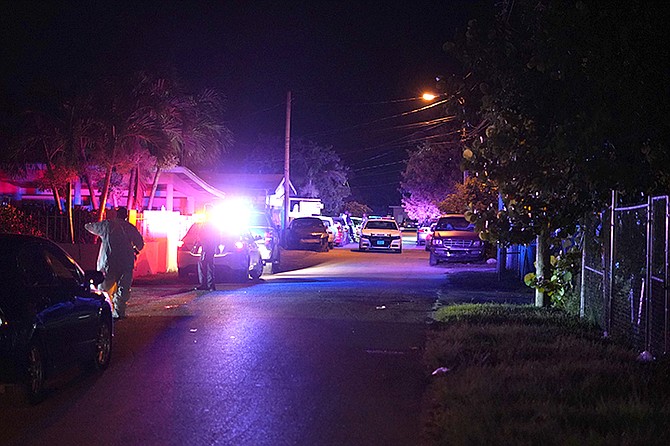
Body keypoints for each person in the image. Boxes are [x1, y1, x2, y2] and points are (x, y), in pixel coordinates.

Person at [85, 207, 144, 319]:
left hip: (108, 262)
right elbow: (140, 244)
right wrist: (134, 250)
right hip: (126, 263)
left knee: (104, 288)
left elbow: (89, 227)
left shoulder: (107, 225)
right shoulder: (129, 227)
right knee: (123, 288)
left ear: (116, 214)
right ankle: (119, 312)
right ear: (126, 216)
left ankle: (103, 311)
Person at [196, 206, 219, 291]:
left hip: (206, 248)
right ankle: (211, 285)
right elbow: (217, 236)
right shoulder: (214, 224)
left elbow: (201, 236)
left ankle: (204, 284)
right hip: (211, 247)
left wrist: (199, 244)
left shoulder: (205, 223)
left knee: (203, 265)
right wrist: (217, 246)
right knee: (210, 266)